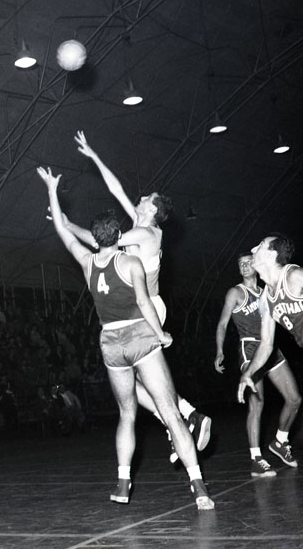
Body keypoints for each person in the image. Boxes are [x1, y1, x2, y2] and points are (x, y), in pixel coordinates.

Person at [38, 166, 214, 510]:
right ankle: (198, 483)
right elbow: (144, 303)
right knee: (169, 411)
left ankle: (122, 480)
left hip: (110, 341)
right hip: (140, 329)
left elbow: (64, 231)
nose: (141, 197)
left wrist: (53, 196)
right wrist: (161, 334)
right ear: (118, 233)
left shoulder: (89, 260)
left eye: (147, 198)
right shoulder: (131, 261)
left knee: (126, 413)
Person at [65, 131, 211, 461]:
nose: (141, 196)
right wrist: (94, 156)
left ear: (153, 209)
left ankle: (180, 418)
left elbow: (99, 241)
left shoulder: (147, 233)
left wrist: (67, 225)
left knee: (134, 382)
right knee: (130, 381)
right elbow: (116, 189)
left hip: (148, 309)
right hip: (136, 308)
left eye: (147, 197)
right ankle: (186, 415)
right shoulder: (137, 221)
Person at [215, 252, 301, 476]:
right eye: (240, 264)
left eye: (247, 262)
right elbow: (222, 324)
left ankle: (280, 441)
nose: (244, 266)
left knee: (294, 399)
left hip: (269, 347)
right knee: (257, 402)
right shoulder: (235, 292)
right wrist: (219, 351)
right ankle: (256, 458)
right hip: (250, 348)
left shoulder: (267, 292)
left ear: (256, 265)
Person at [237, 234, 303, 468]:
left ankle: (280, 442)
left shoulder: (295, 276)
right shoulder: (266, 298)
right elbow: (266, 345)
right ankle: (280, 442)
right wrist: (248, 373)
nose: (254, 248)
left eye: (261, 245)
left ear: (272, 254)